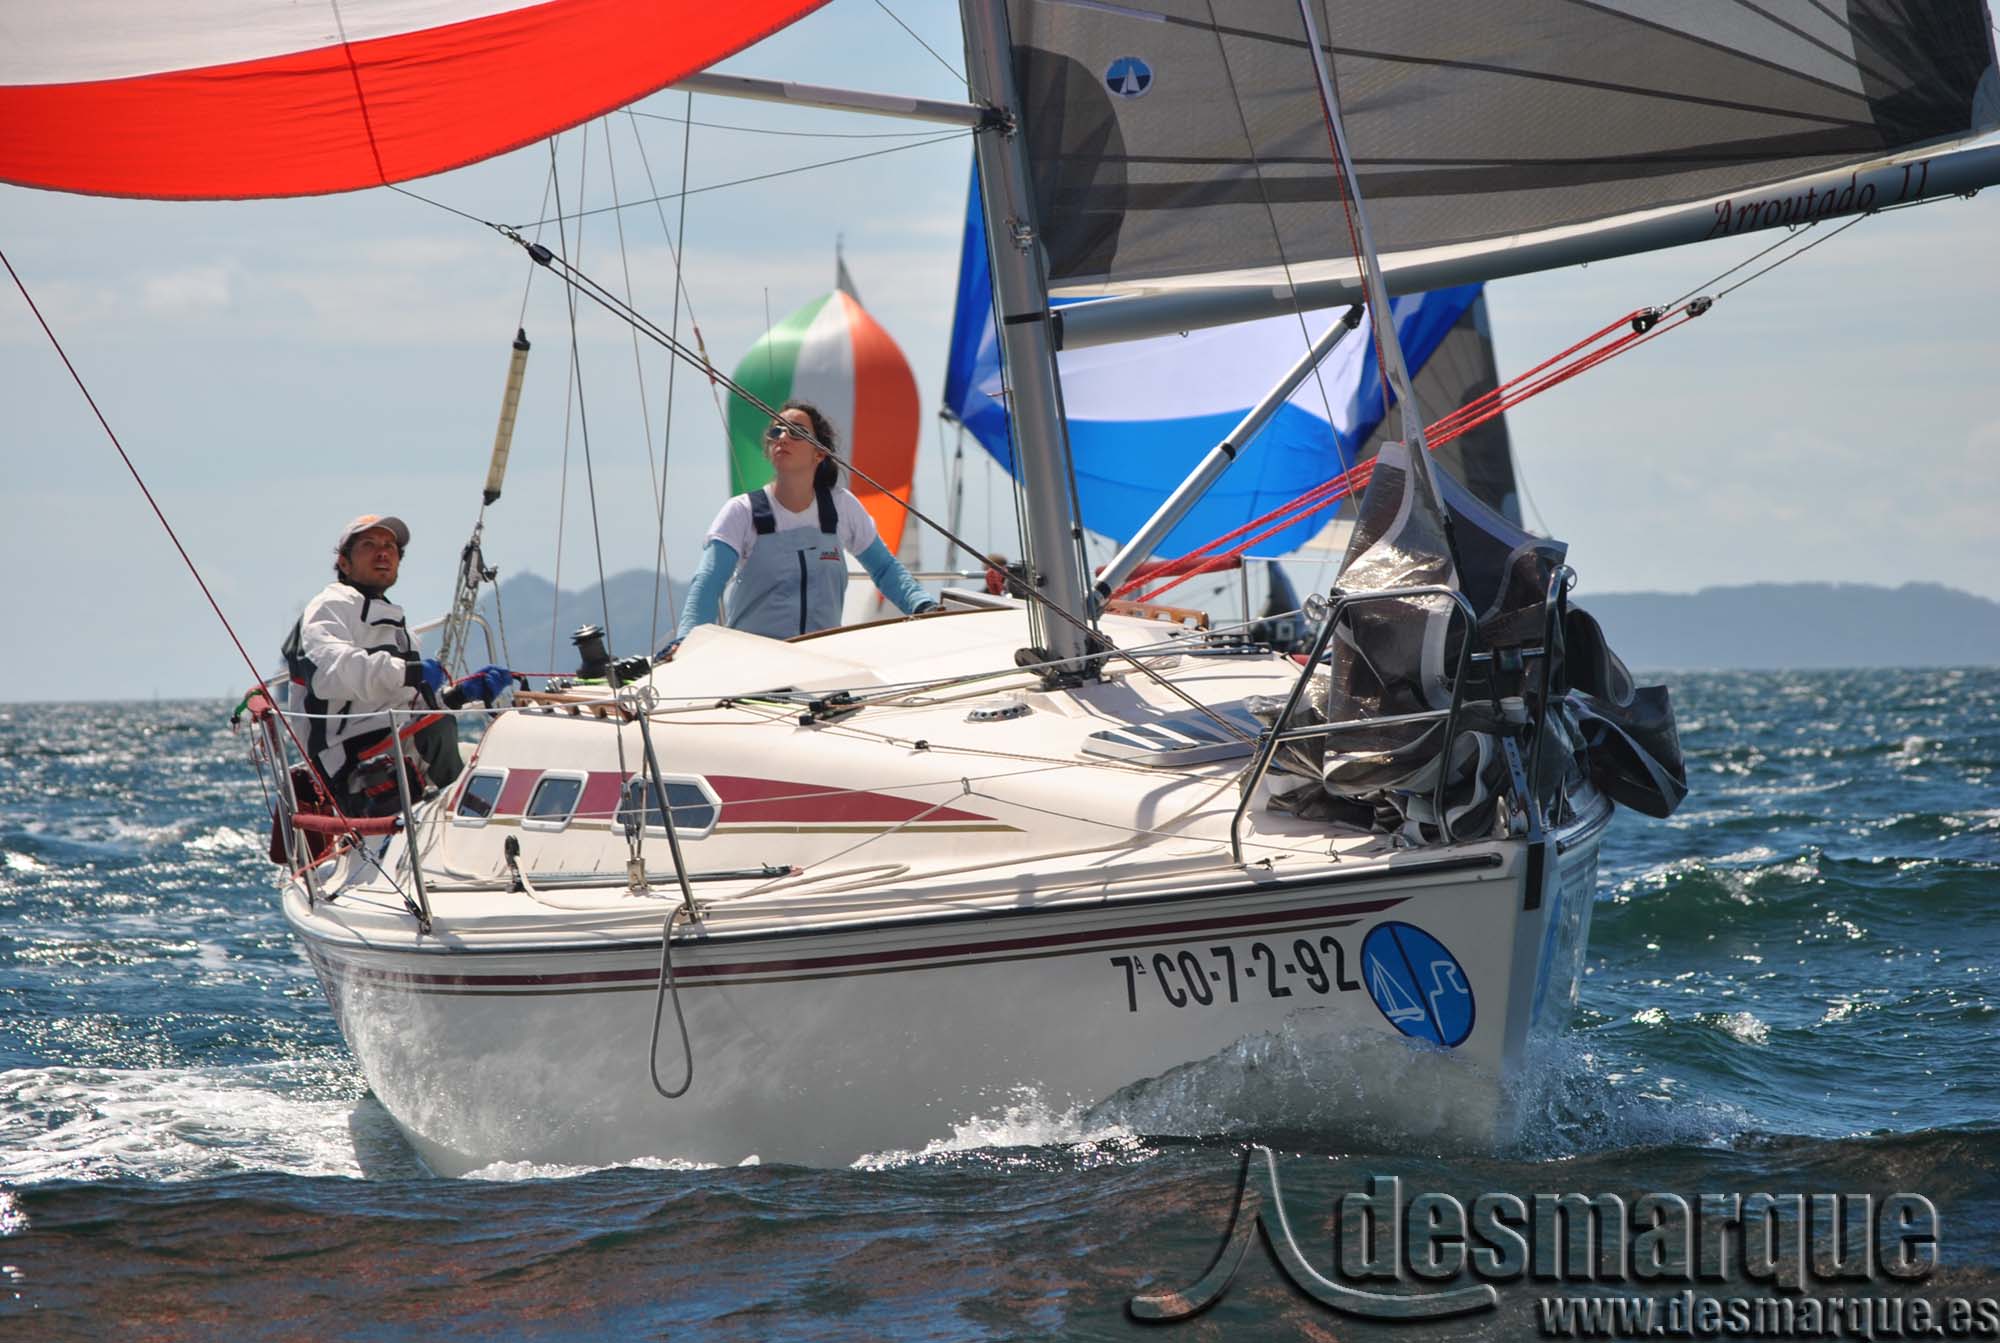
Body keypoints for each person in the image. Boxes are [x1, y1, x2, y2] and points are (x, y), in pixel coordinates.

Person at [282, 514, 514, 815]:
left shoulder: (399, 628)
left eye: (390, 546)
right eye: (369, 544)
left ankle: (468, 816)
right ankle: (461, 818)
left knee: (494, 747)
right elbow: (331, 672)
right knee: (437, 727)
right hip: (346, 760)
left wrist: (459, 694)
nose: (383, 552)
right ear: (344, 563)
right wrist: (408, 672)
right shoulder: (329, 607)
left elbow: (406, 704)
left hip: (390, 741)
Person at [670, 401, 934, 648]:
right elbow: (709, 582)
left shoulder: (842, 506)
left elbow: (885, 569)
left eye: (796, 432)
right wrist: (685, 642)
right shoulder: (741, 512)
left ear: (819, 453)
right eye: (776, 432)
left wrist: (923, 605)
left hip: (822, 659)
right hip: (754, 661)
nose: (783, 438)